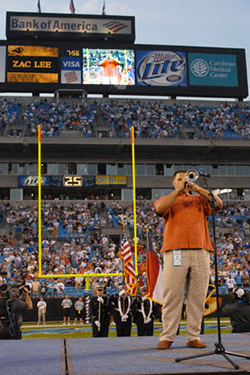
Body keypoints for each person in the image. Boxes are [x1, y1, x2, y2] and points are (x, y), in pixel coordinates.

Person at [154, 170, 223, 349]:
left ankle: (193, 336)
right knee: (172, 296)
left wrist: (197, 188)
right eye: (180, 179)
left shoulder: (199, 198)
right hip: (175, 251)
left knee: (198, 297)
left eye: (187, 179)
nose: (184, 182)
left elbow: (218, 203)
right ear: (173, 183)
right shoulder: (169, 199)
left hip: (201, 251)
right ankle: (168, 336)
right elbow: (159, 208)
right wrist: (178, 192)